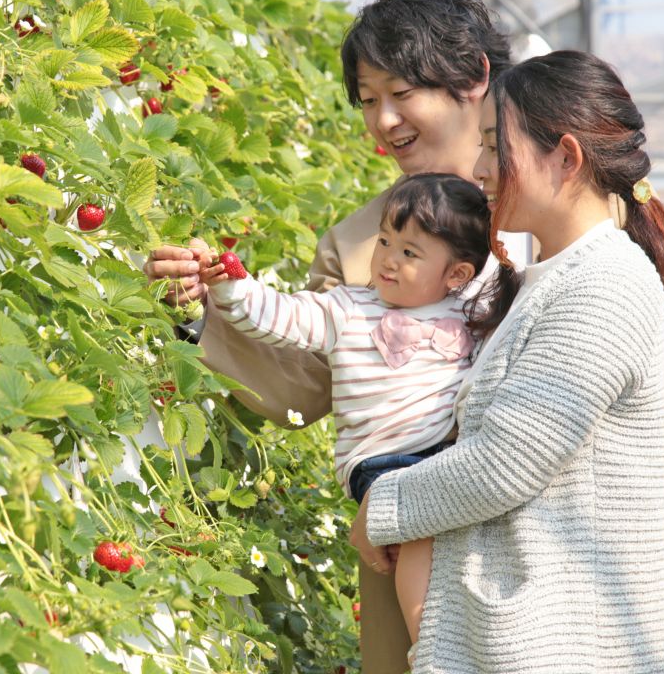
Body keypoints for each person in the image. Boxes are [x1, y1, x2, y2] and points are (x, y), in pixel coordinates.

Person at [143, 0, 664, 673]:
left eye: (401, 92)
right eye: (366, 100)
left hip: (574, 557)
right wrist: (206, 311)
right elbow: (303, 383)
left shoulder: (586, 216)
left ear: (475, 79)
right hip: (421, 548)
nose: (383, 120)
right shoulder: (366, 243)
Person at [351, 50, 664, 671]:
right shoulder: (556, 277)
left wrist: (385, 504)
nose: (479, 168)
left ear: (565, 157)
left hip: (575, 644)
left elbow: (505, 463)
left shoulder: (603, 283)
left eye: (494, 147)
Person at [198, 174, 516, 644]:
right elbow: (282, 317)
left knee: (463, 546)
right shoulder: (348, 308)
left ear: (456, 276)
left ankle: (470, 643)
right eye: (384, 241)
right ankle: (428, 647)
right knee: (417, 541)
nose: (388, 259)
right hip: (383, 462)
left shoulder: (468, 314)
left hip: (447, 452)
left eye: (409, 252)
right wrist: (233, 288)